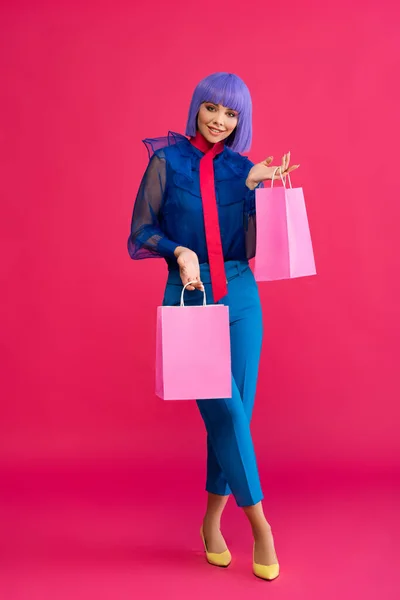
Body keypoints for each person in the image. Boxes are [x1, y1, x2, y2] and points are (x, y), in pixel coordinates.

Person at [127, 72, 299, 581]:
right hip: (191, 290)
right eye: (212, 108)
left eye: (231, 114)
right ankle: (261, 525)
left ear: (240, 121)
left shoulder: (245, 168)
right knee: (224, 409)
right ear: (196, 108)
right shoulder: (166, 160)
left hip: (242, 294)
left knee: (235, 415)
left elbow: (247, 244)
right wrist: (178, 251)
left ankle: (210, 521)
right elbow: (141, 229)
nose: (219, 120)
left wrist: (258, 190)